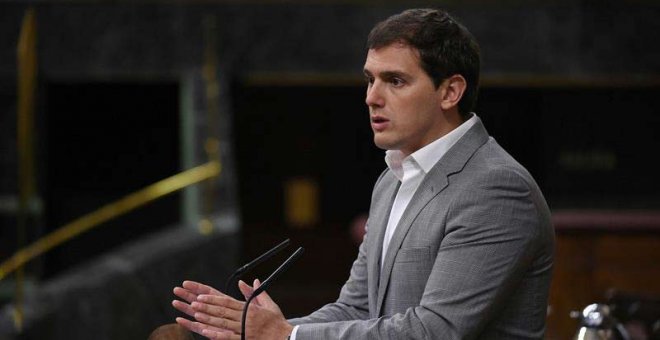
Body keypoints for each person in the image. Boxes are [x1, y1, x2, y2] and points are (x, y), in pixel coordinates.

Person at [172, 8, 554, 339]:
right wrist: (253, 334)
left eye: (395, 81)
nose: (372, 96)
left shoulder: (495, 188)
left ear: (450, 92)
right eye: (370, 79)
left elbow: (435, 331)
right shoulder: (392, 179)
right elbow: (357, 309)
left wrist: (285, 336)